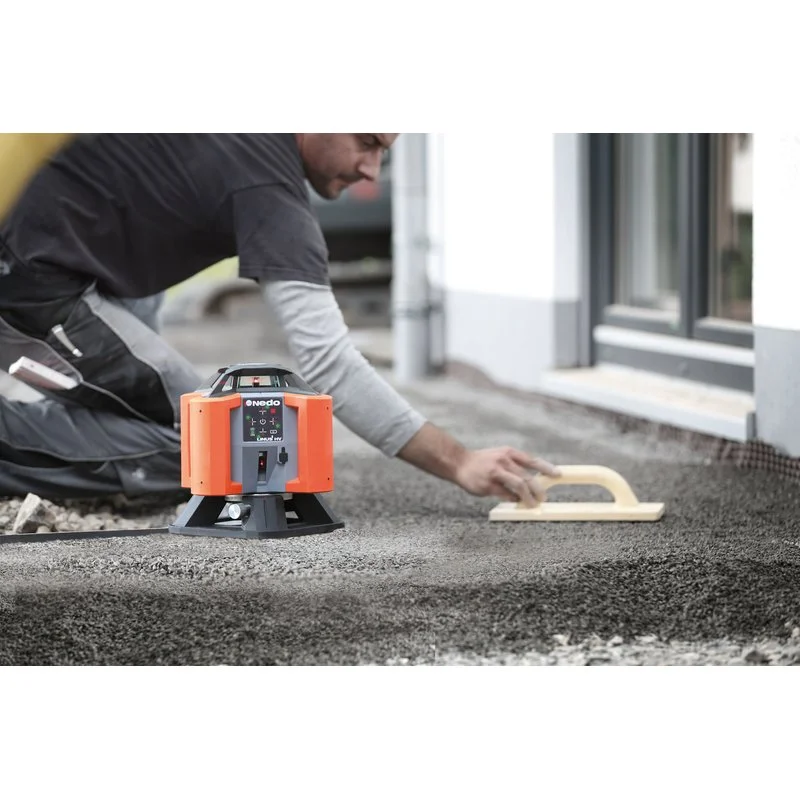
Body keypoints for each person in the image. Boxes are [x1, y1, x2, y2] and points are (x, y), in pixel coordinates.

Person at [0, 133, 559, 505]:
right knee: (223, 450)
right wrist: (459, 462)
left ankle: (59, 431)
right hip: (27, 280)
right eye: (366, 142)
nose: (370, 168)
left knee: (186, 412)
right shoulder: (266, 183)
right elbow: (330, 364)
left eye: (384, 151)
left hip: (46, 262)